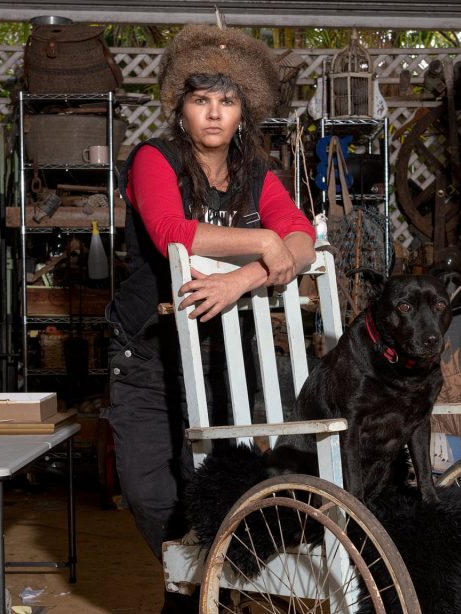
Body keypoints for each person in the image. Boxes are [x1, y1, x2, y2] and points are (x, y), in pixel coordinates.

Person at [105, 23, 315, 611]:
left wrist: (246, 275)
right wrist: (262, 241)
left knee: (219, 484)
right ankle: (197, 585)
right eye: (202, 100)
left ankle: (200, 595)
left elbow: (300, 239)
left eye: (227, 100)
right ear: (181, 106)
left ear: (244, 107)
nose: (215, 114)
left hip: (225, 355)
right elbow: (170, 230)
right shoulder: (154, 159)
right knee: (149, 492)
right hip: (147, 355)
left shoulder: (255, 172)